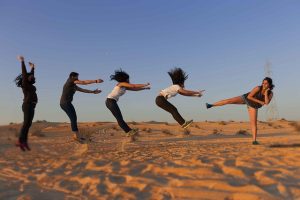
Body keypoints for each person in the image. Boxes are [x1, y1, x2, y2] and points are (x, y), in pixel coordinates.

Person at [206, 77, 274, 145]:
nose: (264, 85)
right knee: (229, 101)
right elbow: (249, 97)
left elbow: (267, 102)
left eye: (266, 83)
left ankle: (254, 141)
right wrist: (260, 101)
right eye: (263, 83)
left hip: (253, 106)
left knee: (253, 123)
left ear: (269, 84)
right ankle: (211, 105)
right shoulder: (258, 88)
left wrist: (266, 92)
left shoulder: (270, 93)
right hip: (246, 98)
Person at [60, 72, 103, 143]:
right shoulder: (70, 81)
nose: (78, 79)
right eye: (77, 77)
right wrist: (95, 81)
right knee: (73, 118)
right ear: (72, 77)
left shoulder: (74, 86)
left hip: (67, 103)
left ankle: (77, 135)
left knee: (74, 118)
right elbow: (83, 82)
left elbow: (83, 90)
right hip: (65, 103)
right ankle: (76, 136)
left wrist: (93, 92)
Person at [106, 69, 150, 136]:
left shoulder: (124, 87)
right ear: (125, 79)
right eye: (128, 79)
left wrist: (145, 88)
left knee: (119, 118)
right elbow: (133, 86)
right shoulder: (121, 84)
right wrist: (145, 84)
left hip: (111, 101)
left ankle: (129, 131)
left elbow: (134, 89)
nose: (129, 80)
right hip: (110, 101)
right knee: (119, 118)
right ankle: (128, 132)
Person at [15, 56, 37, 151]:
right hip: (27, 105)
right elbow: (25, 74)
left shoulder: (30, 84)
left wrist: (32, 68)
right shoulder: (25, 83)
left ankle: (24, 142)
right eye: (30, 76)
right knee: (26, 124)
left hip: (32, 106)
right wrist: (22, 62)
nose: (32, 76)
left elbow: (30, 74)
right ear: (26, 78)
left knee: (28, 124)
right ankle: (20, 141)